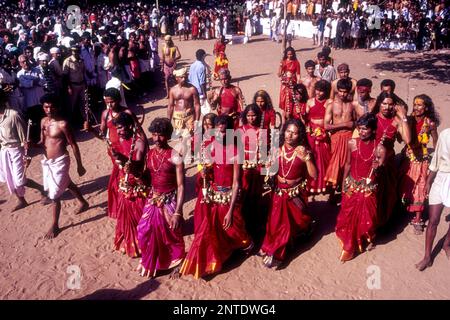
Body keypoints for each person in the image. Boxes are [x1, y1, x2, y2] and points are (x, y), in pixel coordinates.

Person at [180, 115, 253, 279]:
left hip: (229, 197)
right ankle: (212, 260)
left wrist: (230, 210)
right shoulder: (211, 148)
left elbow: (236, 183)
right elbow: (209, 171)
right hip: (214, 195)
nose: (220, 135)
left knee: (234, 228)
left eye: (224, 132)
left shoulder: (235, 152)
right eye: (218, 131)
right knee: (212, 229)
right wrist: (205, 172)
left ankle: (248, 245)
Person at [259, 118, 318, 268]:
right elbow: (266, 172)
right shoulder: (277, 150)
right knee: (275, 224)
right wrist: (267, 165)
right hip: (278, 193)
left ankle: (278, 254)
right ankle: (274, 250)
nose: (290, 135)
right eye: (288, 131)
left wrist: (307, 159)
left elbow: (314, 175)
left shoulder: (303, 151)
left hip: (294, 195)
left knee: (289, 225)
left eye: (294, 133)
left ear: (300, 136)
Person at [136, 118, 185, 278]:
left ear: (168, 135)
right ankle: (153, 260)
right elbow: (146, 179)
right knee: (143, 229)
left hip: (169, 199)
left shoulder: (175, 155)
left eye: (161, 135)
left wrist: (178, 212)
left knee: (171, 232)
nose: (157, 139)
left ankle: (177, 262)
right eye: (154, 135)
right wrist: (136, 175)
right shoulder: (149, 154)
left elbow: (181, 186)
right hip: (153, 197)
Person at [335, 113, 386, 262]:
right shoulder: (352, 142)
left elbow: (380, 174)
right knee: (347, 214)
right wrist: (344, 183)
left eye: (365, 129)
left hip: (368, 188)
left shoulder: (380, 149)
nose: (362, 132)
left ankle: (363, 238)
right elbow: (348, 165)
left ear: (373, 130)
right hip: (352, 184)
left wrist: (378, 167)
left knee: (367, 218)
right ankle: (349, 244)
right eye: (360, 128)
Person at [85, 87, 141, 219]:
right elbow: (102, 135)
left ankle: (134, 205)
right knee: (119, 178)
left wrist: (143, 149)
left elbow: (138, 131)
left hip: (128, 148)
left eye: (112, 102)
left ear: (119, 100)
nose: (110, 105)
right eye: (107, 102)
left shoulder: (127, 112)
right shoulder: (105, 114)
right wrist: (91, 131)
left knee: (129, 176)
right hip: (114, 150)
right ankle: (122, 207)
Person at [38, 94, 88, 239]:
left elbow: (73, 144)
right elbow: (42, 142)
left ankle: (55, 225)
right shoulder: (43, 122)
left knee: (54, 195)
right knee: (66, 183)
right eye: (46, 106)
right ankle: (83, 202)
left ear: (57, 107)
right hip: (47, 162)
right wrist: (31, 145)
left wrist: (79, 165)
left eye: (52, 106)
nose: (49, 109)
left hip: (61, 161)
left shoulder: (63, 124)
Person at [399, 95, 439, 234]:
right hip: (408, 157)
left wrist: (437, 158)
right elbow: (401, 137)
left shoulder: (430, 123)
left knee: (419, 188)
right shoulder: (408, 119)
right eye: (415, 104)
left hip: (421, 160)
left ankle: (418, 219)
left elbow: (436, 141)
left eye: (420, 105)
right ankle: (402, 212)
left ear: (426, 108)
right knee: (404, 185)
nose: (416, 107)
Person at [111, 112, 148, 257]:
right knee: (124, 217)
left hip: (137, 186)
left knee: (140, 216)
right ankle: (128, 243)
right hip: (123, 185)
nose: (119, 131)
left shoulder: (139, 142)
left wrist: (124, 159)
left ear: (130, 126)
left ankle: (143, 244)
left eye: (122, 128)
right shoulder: (117, 141)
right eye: (117, 129)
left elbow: (138, 165)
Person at [0, 88, 43, 211]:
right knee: (9, 178)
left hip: (16, 150)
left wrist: (26, 154)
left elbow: (25, 138)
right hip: (4, 151)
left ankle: (42, 189)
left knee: (19, 180)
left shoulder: (14, 115)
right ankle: (22, 200)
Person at [372, 91, 411, 227]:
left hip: (388, 162)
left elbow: (407, 139)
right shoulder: (372, 118)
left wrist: (403, 117)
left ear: (394, 106)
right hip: (371, 160)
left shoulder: (396, 121)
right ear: (379, 103)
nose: (387, 107)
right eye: (384, 104)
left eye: (390, 104)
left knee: (387, 194)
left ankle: (382, 222)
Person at [415, 128, 450, 271]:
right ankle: (427, 257)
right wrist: (429, 181)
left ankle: (446, 244)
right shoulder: (445, 134)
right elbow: (436, 158)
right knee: (433, 220)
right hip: (441, 178)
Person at [238, 104, 267, 241]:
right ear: (245, 116)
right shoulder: (239, 130)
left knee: (255, 195)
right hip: (242, 167)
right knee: (242, 194)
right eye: (248, 115)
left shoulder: (262, 131)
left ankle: (254, 224)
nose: (251, 118)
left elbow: (264, 152)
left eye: (254, 115)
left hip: (256, 167)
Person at [324, 78, 356, 199]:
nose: (343, 94)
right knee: (335, 164)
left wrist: (352, 126)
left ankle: (343, 191)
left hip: (348, 137)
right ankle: (331, 194)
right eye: (341, 91)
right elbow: (326, 126)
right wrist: (344, 124)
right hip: (336, 138)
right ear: (337, 91)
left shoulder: (352, 105)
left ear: (349, 92)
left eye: (345, 92)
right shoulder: (331, 105)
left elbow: (356, 122)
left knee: (346, 165)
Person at [304, 80, 331, 195]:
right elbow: (305, 118)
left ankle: (323, 184)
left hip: (323, 132)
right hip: (311, 132)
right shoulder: (310, 102)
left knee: (324, 159)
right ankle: (311, 184)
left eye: (321, 91)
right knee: (311, 157)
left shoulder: (329, 102)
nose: (318, 93)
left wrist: (325, 132)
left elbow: (331, 119)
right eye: (317, 90)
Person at [168, 67, 201, 158]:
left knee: (188, 135)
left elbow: (197, 105)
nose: (184, 79)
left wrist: (197, 121)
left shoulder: (192, 89)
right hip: (177, 116)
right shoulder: (173, 90)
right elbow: (170, 106)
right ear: (176, 78)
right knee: (180, 136)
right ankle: (185, 151)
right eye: (182, 77)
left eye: (185, 76)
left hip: (189, 116)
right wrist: (168, 120)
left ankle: (186, 154)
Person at [62, 45, 86, 126]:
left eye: (77, 51)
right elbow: (65, 76)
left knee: (84, 104)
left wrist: (85, 84)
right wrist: (68, 87)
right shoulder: (68, 61)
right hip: (73, 85)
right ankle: (70, 123)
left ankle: (85, 120)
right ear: (71, 51)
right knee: (72, 105)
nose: (75, 52)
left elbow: (83, 73)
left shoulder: (81, 60)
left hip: (81, 84)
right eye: (73, 51)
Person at [278, 47, 301, 122]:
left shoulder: (296, 62)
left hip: (293, 84)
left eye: (291, 54)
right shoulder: (283, 62)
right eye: (288, 54)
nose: (290, 56)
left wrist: (298, 84)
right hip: (285, 86)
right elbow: (279, 74)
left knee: (292, 103)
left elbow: (298, 74)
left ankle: (291, 121)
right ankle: (284, 123)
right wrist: (280, 67)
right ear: (286, 54)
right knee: (284, 104)